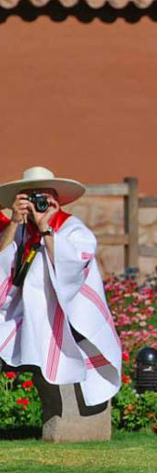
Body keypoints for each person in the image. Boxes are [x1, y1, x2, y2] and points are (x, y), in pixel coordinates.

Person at [0, 167, 121, 407]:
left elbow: (74, 266)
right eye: (31, 198)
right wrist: (14, 223)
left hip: (69, 316)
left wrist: (47, 230)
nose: (37, 205)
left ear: (55, 199)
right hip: (25, 313)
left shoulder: (72, 228)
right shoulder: (21, 230)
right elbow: (3, 264)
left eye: (42, 198)